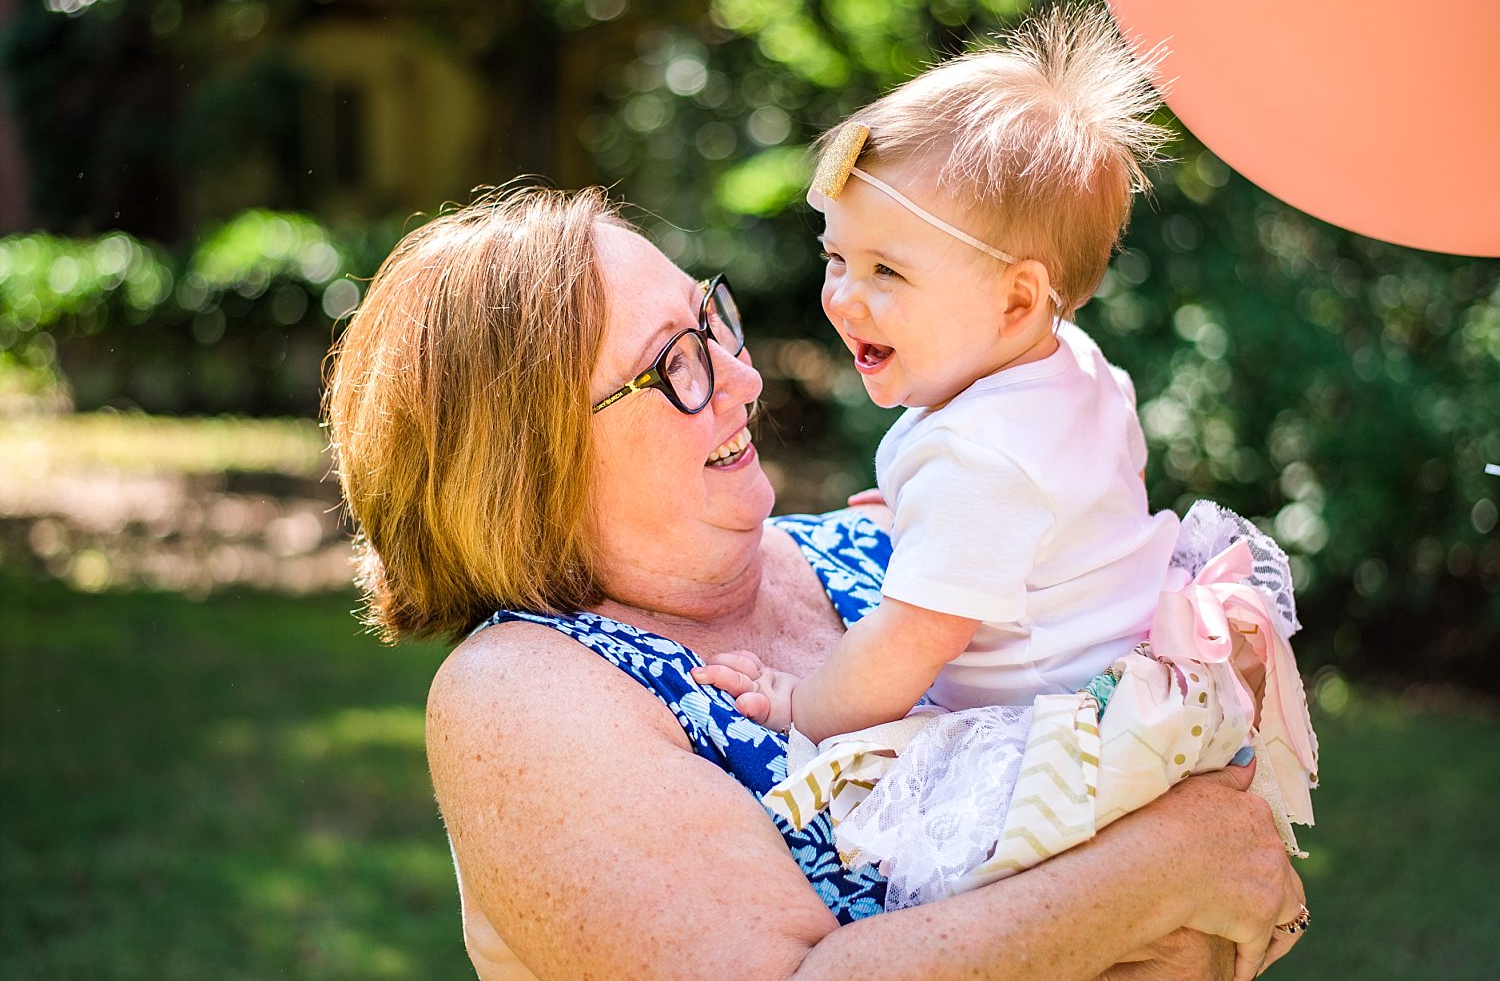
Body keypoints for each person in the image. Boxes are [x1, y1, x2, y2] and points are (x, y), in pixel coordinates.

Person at [322, 182, 1308, 981]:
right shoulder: (525, 697)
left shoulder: (880, 555)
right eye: (676, 367)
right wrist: (1162, 874)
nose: (744, 381)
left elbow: (1227, 876)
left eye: (715, 323)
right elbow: (1202, 874)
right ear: (524, 465)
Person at [690, 5, 1317, 910]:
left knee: (920, 884)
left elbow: (905, 649)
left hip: (1049, 736)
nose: (841, 298)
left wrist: (799, 704)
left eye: (886, 274)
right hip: (1136, 678)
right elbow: (1072, 504)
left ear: (1018, 302)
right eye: (835, 256)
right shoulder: (1073, 366)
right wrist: (923, 516)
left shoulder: (978, 461)